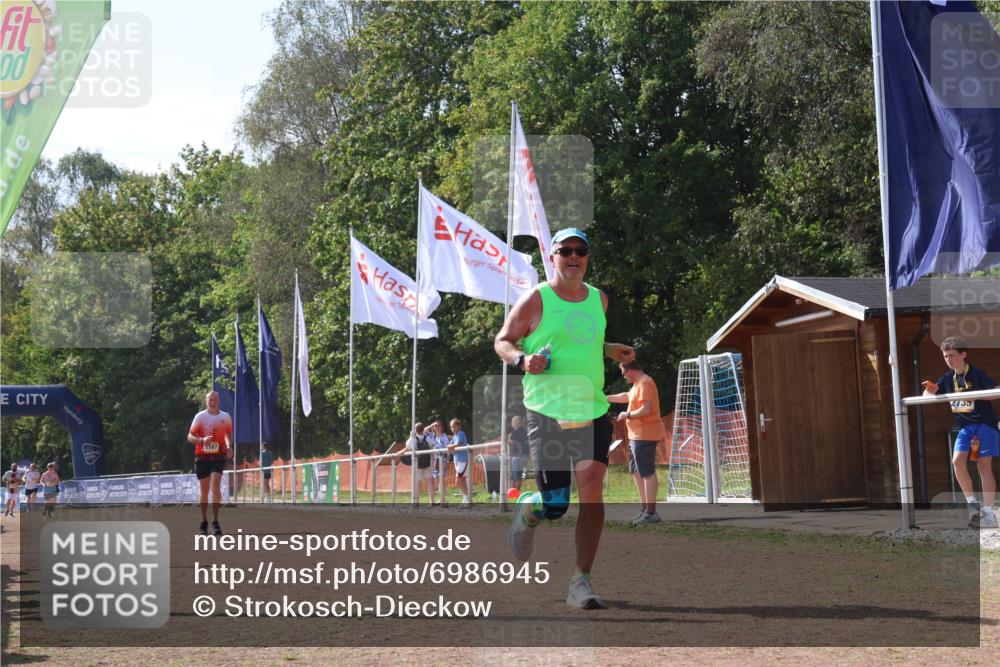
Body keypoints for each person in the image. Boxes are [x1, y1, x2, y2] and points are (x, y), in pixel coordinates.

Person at [494, 227, 634, 609]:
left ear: (587, 257)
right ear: (552, 257)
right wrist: (522, 359)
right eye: (565, 251)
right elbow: (502, 340)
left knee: (591, 489)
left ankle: (581, 581)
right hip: (548, 411)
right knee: (556, 504)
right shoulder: (535, 300)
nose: (573, 256)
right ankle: (531, 508)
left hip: (591, 408)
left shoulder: (599, 300)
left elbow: (580, 340)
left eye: (580, 251)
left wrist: (609, 349)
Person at [923, 336, 999, 528]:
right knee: (957, 462)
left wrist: (974, 396)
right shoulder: (947, 378)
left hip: (985, 425)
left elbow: (995, 390)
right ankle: (972, 504)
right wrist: (929, 391)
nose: (949, 359)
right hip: (965, 428)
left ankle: (989, 513)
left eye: (952, 355)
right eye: (945, 356)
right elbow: (928, 393)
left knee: (983, 466)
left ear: (963, 354)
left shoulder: (976, 374)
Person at [607, 360, 666, 525]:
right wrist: (605, 398)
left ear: (630, 369)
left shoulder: (646, 383)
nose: (623, 376)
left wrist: (628, 415)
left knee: (647, 472)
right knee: (635, 472)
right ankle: (645, 509)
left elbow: (646, 409)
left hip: (645, 435)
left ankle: (651, 512)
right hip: (636, 435)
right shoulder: (637, 384)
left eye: (623, 372)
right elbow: (626, 397)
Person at [187, 390, 233, 536]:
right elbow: (189, 436)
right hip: (202, 457)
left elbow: (227, 433)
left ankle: (215, 521)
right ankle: (203, 521)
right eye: (210, 400)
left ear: (218, 400)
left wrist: (229, 446)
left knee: (216, 485)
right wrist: (201, 441)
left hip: (218, 456)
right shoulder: (200, 417)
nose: (213, 402)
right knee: (204, 491)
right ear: (206, 401)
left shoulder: (225, 417)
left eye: (215, 399)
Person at [397, 422, 434, 504]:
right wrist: (432, 460)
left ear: (415, 430)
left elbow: (406, 449)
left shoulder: (412, 439)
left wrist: (398, 453)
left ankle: (416, 502)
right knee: (430, 482)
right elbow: (432, 449)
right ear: (422, 429)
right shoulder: (427, 438)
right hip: (427, 463)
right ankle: (432, 501)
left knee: (417, 484)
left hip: (417, 464)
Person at [448, 418, 472, 508]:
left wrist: (450, 446)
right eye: (451, 427)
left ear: (458, 426)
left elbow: (457, 444)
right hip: (457, 461)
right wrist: (451, 447)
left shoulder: (461, 433)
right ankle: (466, 499)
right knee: (462, 481)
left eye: (454, 426)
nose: (452, 428)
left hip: (463, 460)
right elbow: (451, 449)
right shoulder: (454, 436)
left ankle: (467, 498)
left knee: (458, 481)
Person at [429, 420, 451, 506]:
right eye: (435, 426)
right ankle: (441, 498)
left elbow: (448, 451)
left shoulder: (445, 437)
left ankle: (443, 499)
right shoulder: (432, 436)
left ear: (441, 427)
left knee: (441, 480)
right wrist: (431, 425)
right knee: (437, 480)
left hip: (442, 460)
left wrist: (448, 461)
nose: (436, 428)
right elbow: (421, 432)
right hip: (434, 461)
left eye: (438, 426)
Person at [507, 415, 529, 491]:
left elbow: (514, 442)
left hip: (518, 456)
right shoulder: (524, 431)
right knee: (517, 475)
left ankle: (515, 492)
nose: (511, 423)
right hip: (523, 456)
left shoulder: (517, 432)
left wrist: (509, 440)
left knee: (516, 476)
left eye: (512, 421)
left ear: (516, 422)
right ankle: (513, 492)